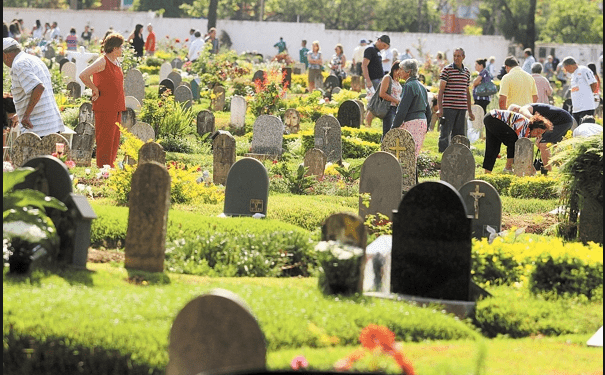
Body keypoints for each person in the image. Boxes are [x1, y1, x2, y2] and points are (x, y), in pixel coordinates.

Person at [78, 32, 126, 169]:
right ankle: (102, 170)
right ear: (115, 48)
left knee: (114, 141)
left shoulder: (116, 61)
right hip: (105, 107)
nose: (122, 50)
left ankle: (109, 169)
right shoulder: (102, 61)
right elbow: (83, 75)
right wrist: (94, 88)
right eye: (121, 47)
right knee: (105, 140)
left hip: (116, 106)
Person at [3, 38, 64, 138]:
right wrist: (20, 115)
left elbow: (38, 88)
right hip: (51, 126)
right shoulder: (33, 59)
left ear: (5, 55)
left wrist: (26, 115)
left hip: (38, 130)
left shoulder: (18, 65)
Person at [482, 109, 553, 174]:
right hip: (494, 118)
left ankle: (487, 173)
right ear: (534, 127)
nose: (538, 135)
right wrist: (532, 170)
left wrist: (532, 168)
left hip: (490, 117)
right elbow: (520, 148)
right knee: (513, 142)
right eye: (537, 132)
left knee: (493, 147)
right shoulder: (525, 126)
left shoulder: (527, 131)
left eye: (540, 134)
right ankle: (508, 167)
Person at [509, 103, 573, 172]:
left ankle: (548, 171)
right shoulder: (530, 108)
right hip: (560, 120)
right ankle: (556, 168)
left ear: (515, 109)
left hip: (562, 120)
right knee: (541, 144)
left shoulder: (522, 110)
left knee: (543, 144)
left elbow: (533, 120)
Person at [436, 47, 475, 153]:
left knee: (459, 134)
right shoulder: (447, 70)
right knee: (445, 133)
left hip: (461, 109)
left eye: (458, 56)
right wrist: (440, 108)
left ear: (463, 57)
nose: (456, 58)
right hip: (449, 107)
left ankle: (457, 154)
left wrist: (470, 111)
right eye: (454, 55)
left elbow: (467, 92)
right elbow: (441, 91)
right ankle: (442, 155)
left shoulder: (466, 72)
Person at [392, 59, 432, 157]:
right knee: (414, 155)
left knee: (406, 156)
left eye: (401, 69)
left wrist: (394, 126)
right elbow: (428, 111)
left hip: (412, 123)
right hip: (422, 123)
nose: (398, 72)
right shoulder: (421, 86)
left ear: (408, 71)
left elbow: (402, 109)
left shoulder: (409, 85)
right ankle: (413, 173)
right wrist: (427, 125)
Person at [362, 35, 390, 127]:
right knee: (374, 102)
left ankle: (367, 123)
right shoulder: (370, 49)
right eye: (384, 45)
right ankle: (367, 123)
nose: (384, 48)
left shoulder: (377, 51)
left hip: (379, 79)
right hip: (373, 80)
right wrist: (368, 80)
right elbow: (364, 65)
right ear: (379, 40)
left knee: (375, 102)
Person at [562, 56, 598, 125]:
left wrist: (589, 95)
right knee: (577, 129)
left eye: (566, 69)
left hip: (586, 107)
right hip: (576, 109)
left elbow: (594, 83)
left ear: (569, 65)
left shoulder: (584, 70)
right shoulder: (573, 75)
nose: (566, 71)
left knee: (586, 128)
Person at [378, 60, 403, 139]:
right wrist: (396, 101)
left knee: (394, 132)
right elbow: (382, 94)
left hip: (396, 108)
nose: (400, 73)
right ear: (394, 69)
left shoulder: (397, 80)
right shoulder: (387, 78)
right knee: (388, 132)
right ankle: (384, 149)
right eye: (398, 71)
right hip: (389, 108)